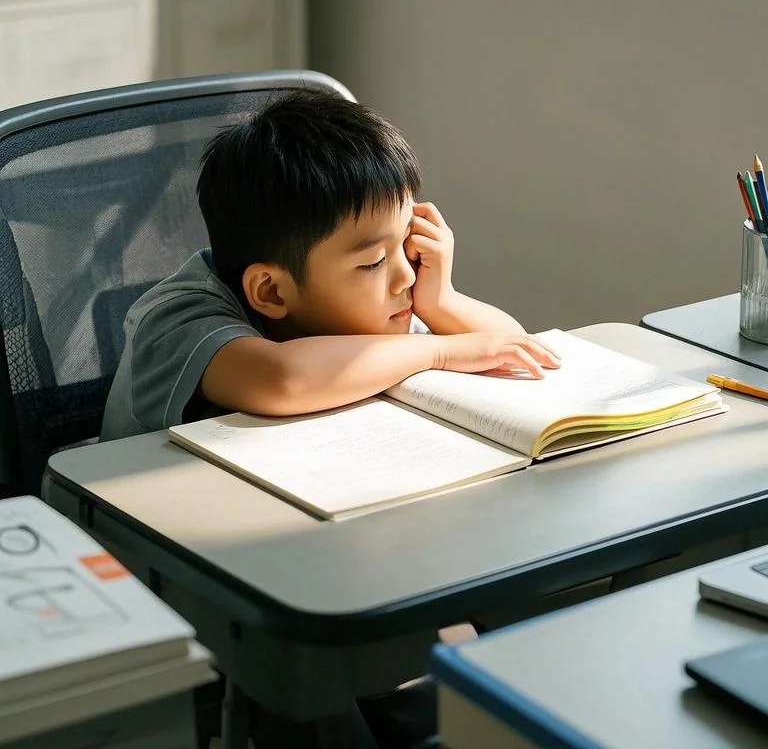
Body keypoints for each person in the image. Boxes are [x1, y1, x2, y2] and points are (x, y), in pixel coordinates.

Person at [99, 88, 560, 749]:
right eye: (374, 261)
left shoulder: (380, 304)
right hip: (180, 581)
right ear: (272, 291)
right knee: (323, 702)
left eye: (410, 245)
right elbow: (282, 380)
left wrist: (445, 296)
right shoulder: (177, 317)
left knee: (463, 656)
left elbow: (509, 345)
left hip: (328, 547)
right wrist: (436, 346)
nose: (403, 275)